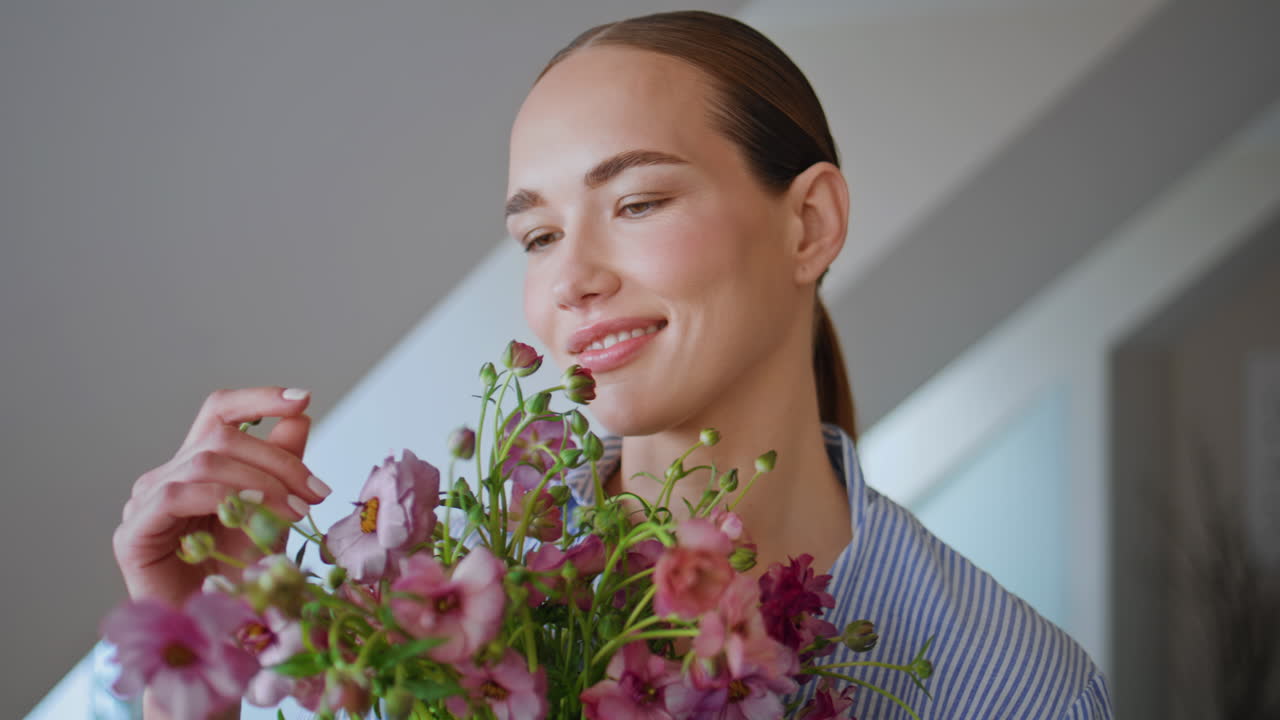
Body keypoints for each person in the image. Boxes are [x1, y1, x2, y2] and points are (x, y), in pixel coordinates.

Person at [108, 10, 1112, 719]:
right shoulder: (428, 620)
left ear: (808, 223)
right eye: (537, 237)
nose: (570, 279)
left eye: (635, 203)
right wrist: (193, 663)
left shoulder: (1013, 686)